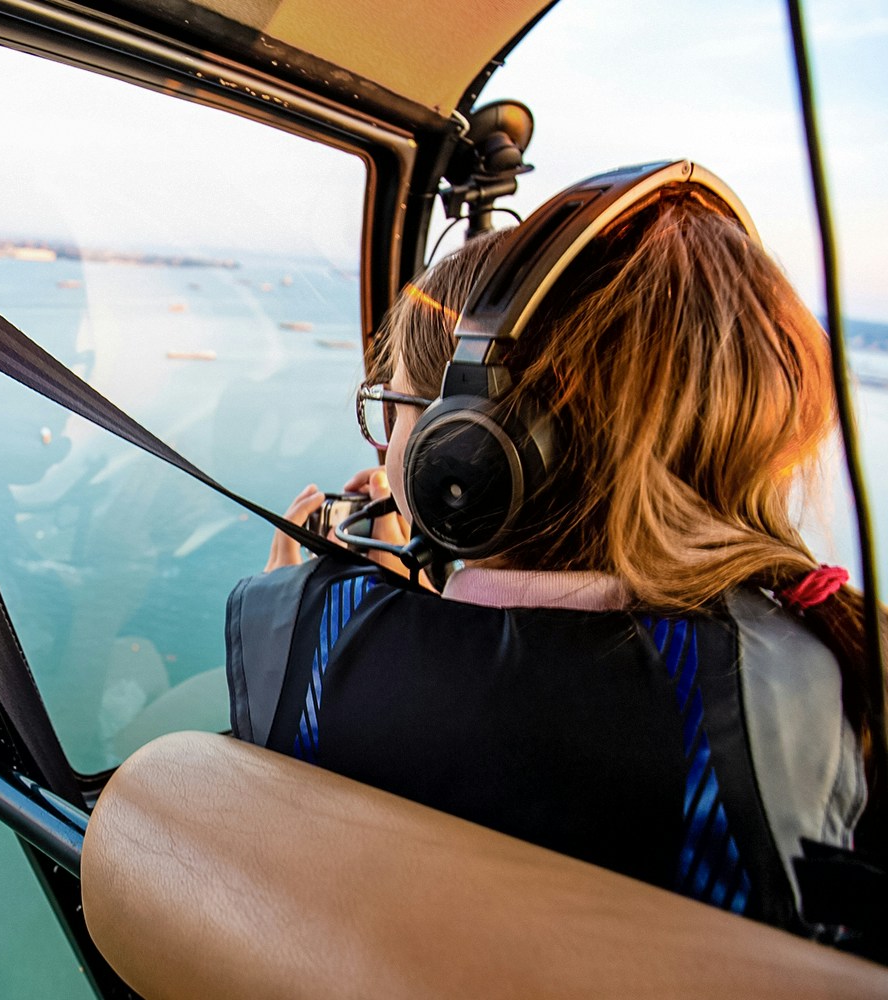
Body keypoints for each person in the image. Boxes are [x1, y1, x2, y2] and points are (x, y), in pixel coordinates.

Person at [226, 178, 881, 945]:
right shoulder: (803, 676)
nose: (382, 444)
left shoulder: (302, 635)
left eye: (394, 409)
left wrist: (307, 597)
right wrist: (446, 588)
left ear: (466, 452)